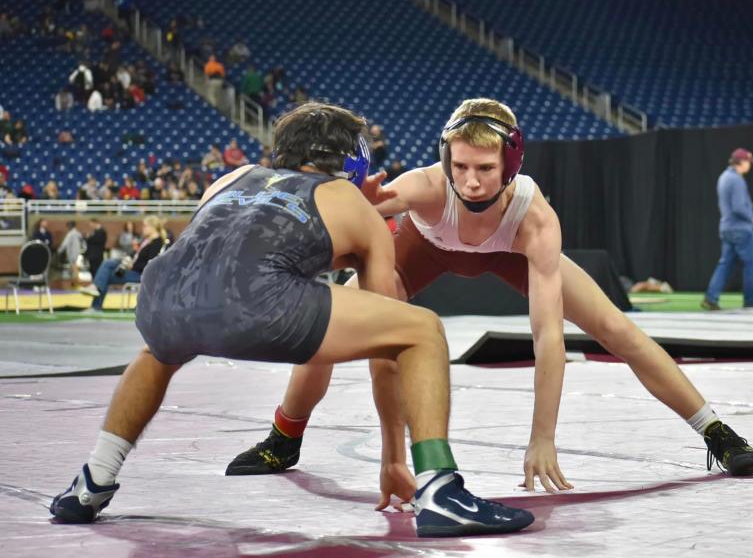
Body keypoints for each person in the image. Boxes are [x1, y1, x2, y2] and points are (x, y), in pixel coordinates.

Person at [226, 98, 753, 500]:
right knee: (331, 329)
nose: (471, 180)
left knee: (617, 329)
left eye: (485, 169)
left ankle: (715, 432)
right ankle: (284, 438)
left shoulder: (535, 217)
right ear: (445, 158)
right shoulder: (426, 187)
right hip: (422, 246)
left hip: (507, 249)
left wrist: (543, 438)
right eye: (459, 166)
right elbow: (345, 205)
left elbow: (548, 337)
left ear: (511, 165)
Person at [49, 102, 534, 538]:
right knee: (420, 330)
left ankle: (93, 479)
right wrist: (392, 459)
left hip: (163, 298)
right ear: (354, 162)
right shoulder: (352, 204)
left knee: (159, 353)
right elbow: (389, 347)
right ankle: (440, 490)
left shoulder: (231, 178)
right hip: (262, 305)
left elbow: (213, 256)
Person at [701, 148, 753, 311]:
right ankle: (751, 301)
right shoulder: (737, 180)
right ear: (741, 162)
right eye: (749, 162)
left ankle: (711, 297)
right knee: (752, 265)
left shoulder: (724, 177)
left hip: (727, 227)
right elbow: (739, 207)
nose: (750, 165)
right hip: (741, 229)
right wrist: (751, 217)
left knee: (725, 264)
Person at [79, 216, 167, 311]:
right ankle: (96, 303)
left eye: (145, 226)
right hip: (135, 270)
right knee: (106, 273)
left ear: (152, 227)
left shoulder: (157, 242)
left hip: (141, 275)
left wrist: (132, 265)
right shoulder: (146, 241)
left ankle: (95, 295)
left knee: (107, 264)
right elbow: (137, 257)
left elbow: (151, 264)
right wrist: (129, 261)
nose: (143, 228)